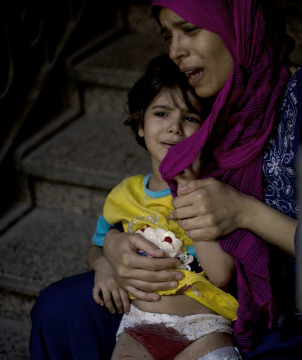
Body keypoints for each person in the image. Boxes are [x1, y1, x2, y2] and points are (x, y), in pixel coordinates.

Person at [30, 1, 302, 358]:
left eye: (190, 30)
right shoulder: (217, 97)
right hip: (183, 285)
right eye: (169, 36)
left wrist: (246, 213)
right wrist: (113, 249)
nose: (176, 51)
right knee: (58, 311)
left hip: (281, 311)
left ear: (234, 23)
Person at [86, 53, 241, 359]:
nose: (175, 128)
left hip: (205, 327)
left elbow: (222, 275)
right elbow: (95, 246)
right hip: (139, 327)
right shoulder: (124, 194)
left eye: (190, 117)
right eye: (161, 113)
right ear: (140, 124)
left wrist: (188, 193)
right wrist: (103, 265)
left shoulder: (212, 193)